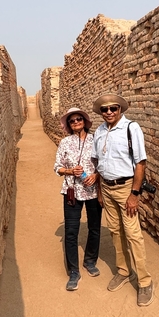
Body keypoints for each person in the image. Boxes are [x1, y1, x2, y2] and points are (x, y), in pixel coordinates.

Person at [91, 93, 153, 307]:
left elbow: (140, 163)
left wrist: (134, 194)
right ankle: (124, 271)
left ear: (120, 109)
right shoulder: (99, 131)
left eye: (113, 108)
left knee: (133, 234)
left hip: (126, 187)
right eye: (104, 109)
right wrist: (99, 191)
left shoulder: (131, 128)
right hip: (107, 188)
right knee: (116, 231)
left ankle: (145, 280)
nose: (109, 112)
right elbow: (97, 161)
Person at [54, 107, 102, 291]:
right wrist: (69, 171)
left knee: (94, 228)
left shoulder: (95, 140)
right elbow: (57, 167)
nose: (75, 122)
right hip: (72, 191)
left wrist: (96, 176)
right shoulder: (64, 143)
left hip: (92, 191)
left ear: (84, 121)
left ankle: (90, 261)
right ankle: (74, 271)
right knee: (71, 231)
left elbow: (102, 163)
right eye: (72, 120)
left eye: (78, 119)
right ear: (68, 124)